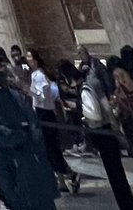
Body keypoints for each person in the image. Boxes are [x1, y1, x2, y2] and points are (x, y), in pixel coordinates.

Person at [0, 54, 57, 210]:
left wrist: (33, 137)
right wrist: (18, 136)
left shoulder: (15, 95)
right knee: (18, 200)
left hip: (28, 155)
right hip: (7, 156)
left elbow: (31, 118)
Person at [80, 56, 133, 210]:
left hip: (103, 130)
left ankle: (127, 205)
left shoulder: (92, 84)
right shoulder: (96, 82)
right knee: (117, 173)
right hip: (106, 129)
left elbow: (104, 108)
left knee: (115, 173)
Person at [26, 48, 78, 194]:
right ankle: (61, 179)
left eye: (29, 57)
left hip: (44, 114)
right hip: (47, 113)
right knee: (51, 149)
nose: (28, 60)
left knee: (51, 149)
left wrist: (27, 90)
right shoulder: (40, 73)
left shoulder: (39, 75)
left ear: (35, 59)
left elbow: (43, 96)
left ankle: (68, 174)